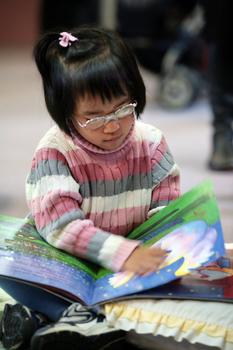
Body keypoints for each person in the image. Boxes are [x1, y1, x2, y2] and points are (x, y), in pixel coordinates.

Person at [0, 25, 181, 350]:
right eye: (93, 117)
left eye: (123, 108)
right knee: (9, 267)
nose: (111, 125)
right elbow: (62, 227)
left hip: (127, 257)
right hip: (66, 258)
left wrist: (162, 249)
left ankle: (38, 320)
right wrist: (121, 254)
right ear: (65, 111)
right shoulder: (55, 152)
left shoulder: (151, 142)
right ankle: (74, 316)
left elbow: (166, 207)